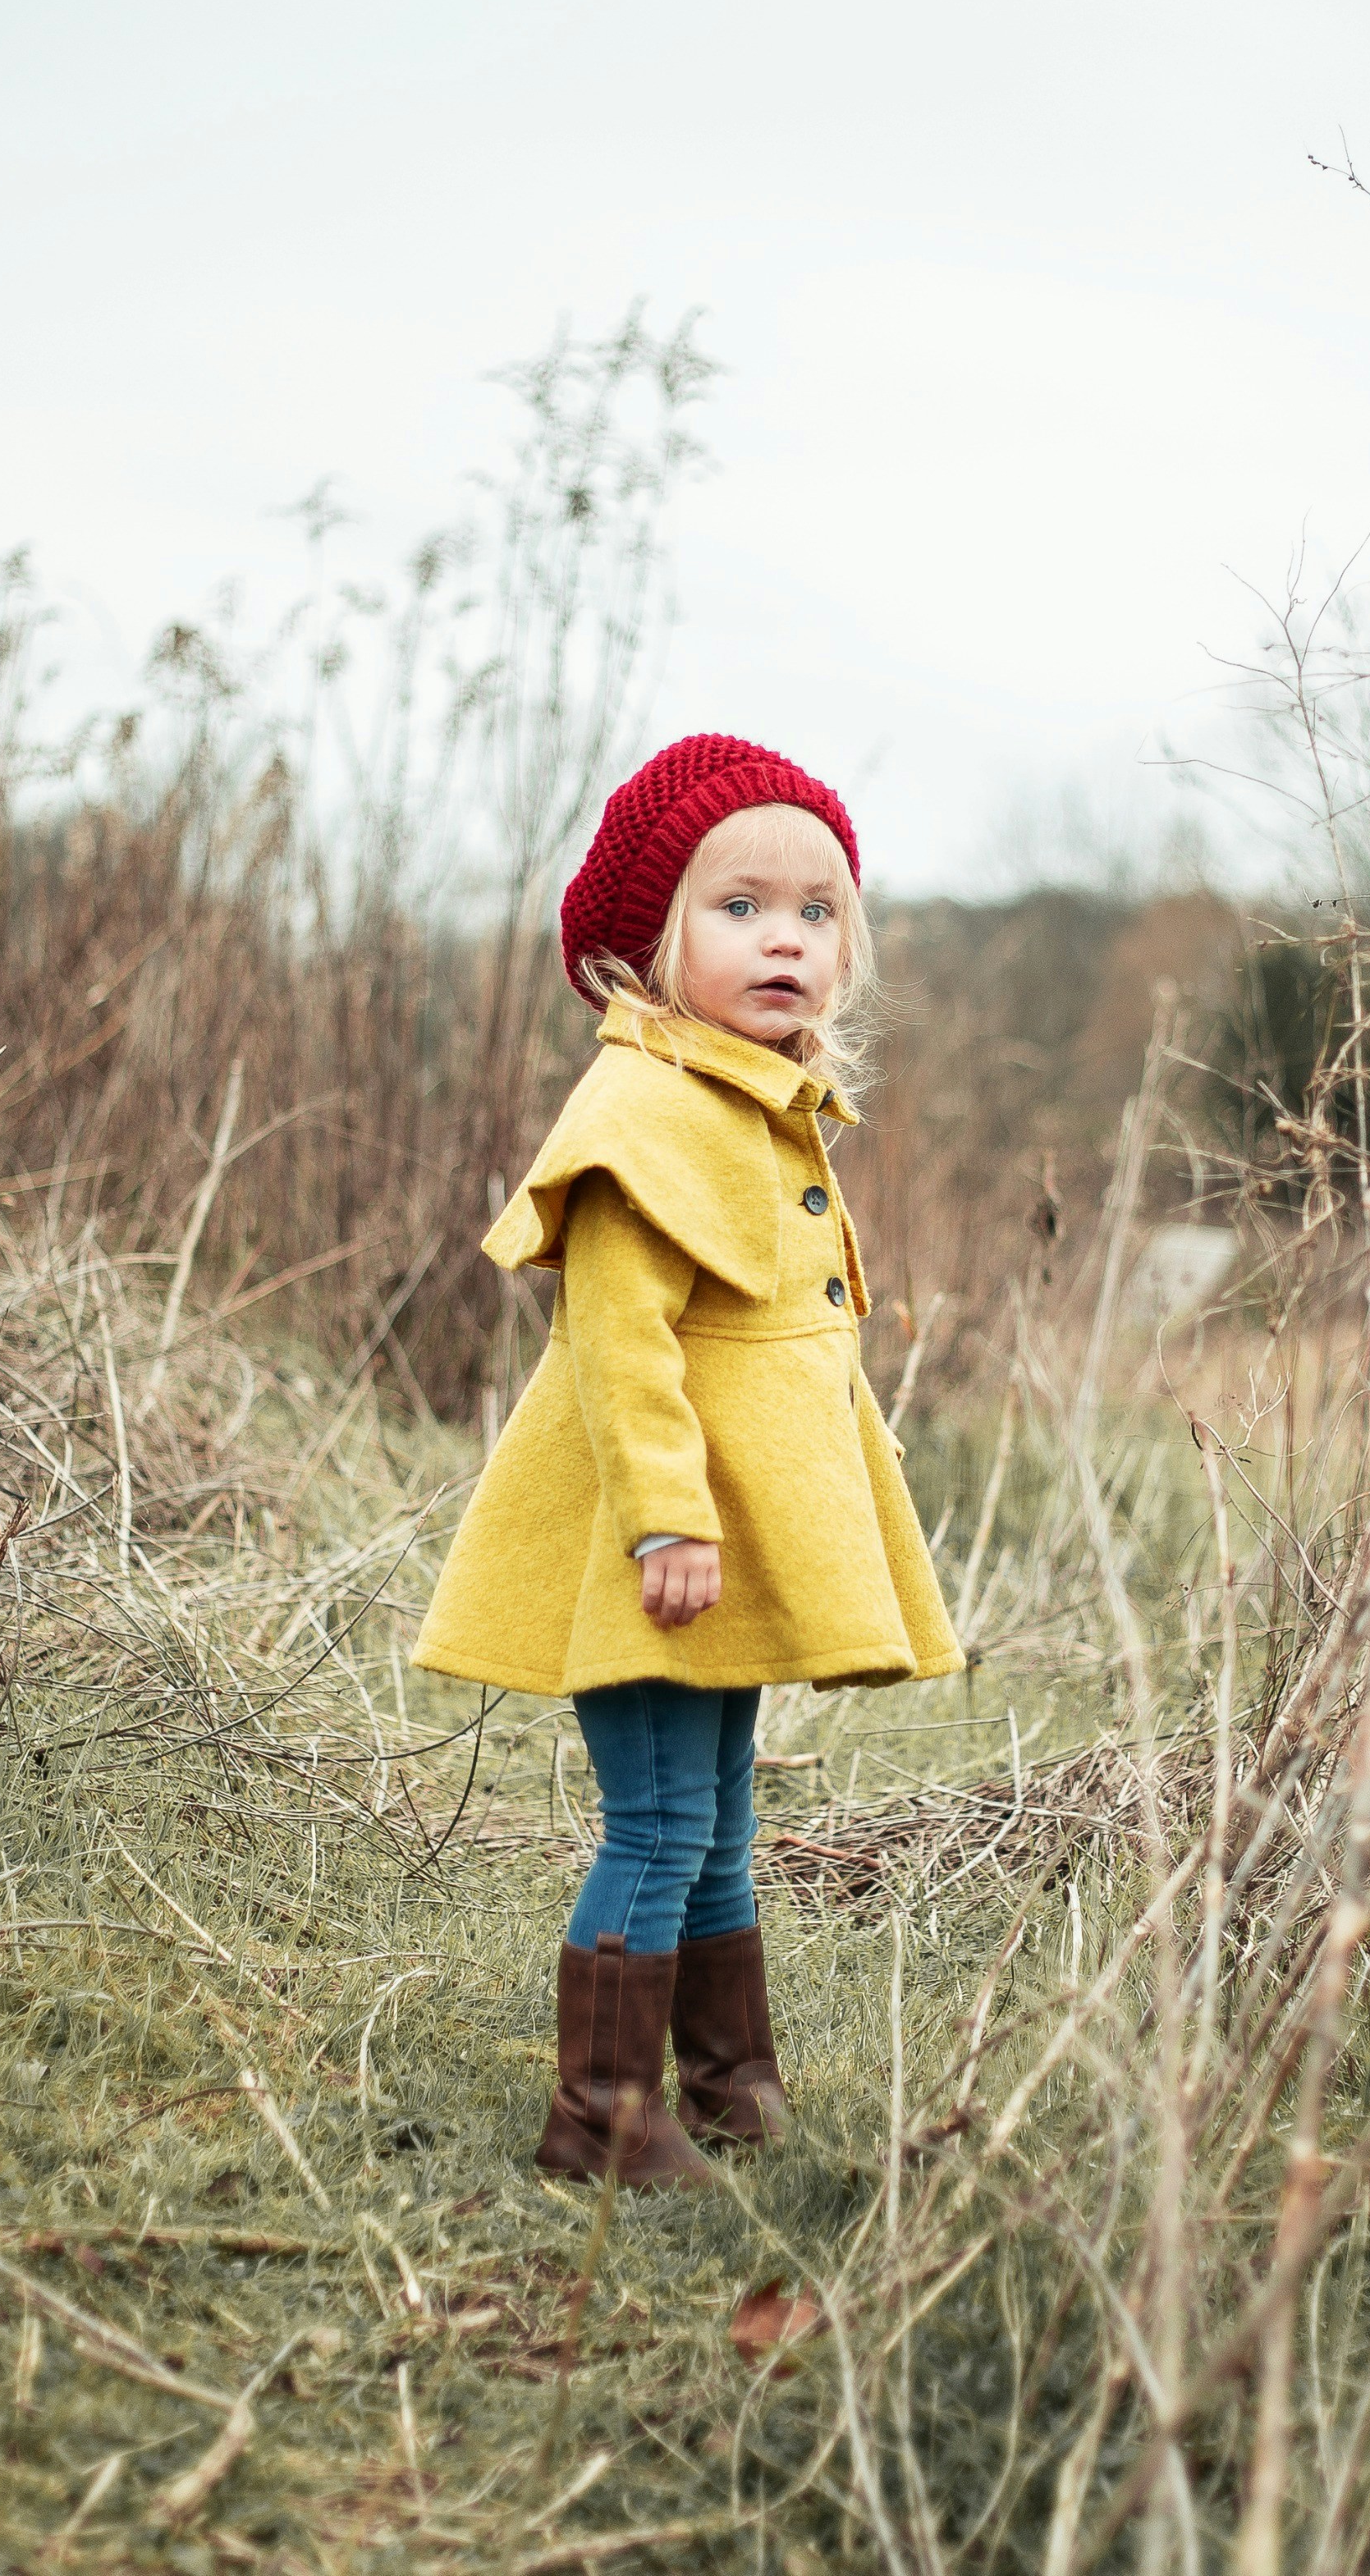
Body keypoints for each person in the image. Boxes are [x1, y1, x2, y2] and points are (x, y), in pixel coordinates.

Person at [411, 731, 962, 2186]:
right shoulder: (641, 1112)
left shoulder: (755, 1101)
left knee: (722, 1813)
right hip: (658, 1545)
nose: (784, 934)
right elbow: (620, 1341)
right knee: (656, 1818)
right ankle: (601, 2118)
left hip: (730, 1543)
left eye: (816, 909)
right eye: (739, 906)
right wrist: (665, 1518)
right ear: (653, 942)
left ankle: (728, 2080)